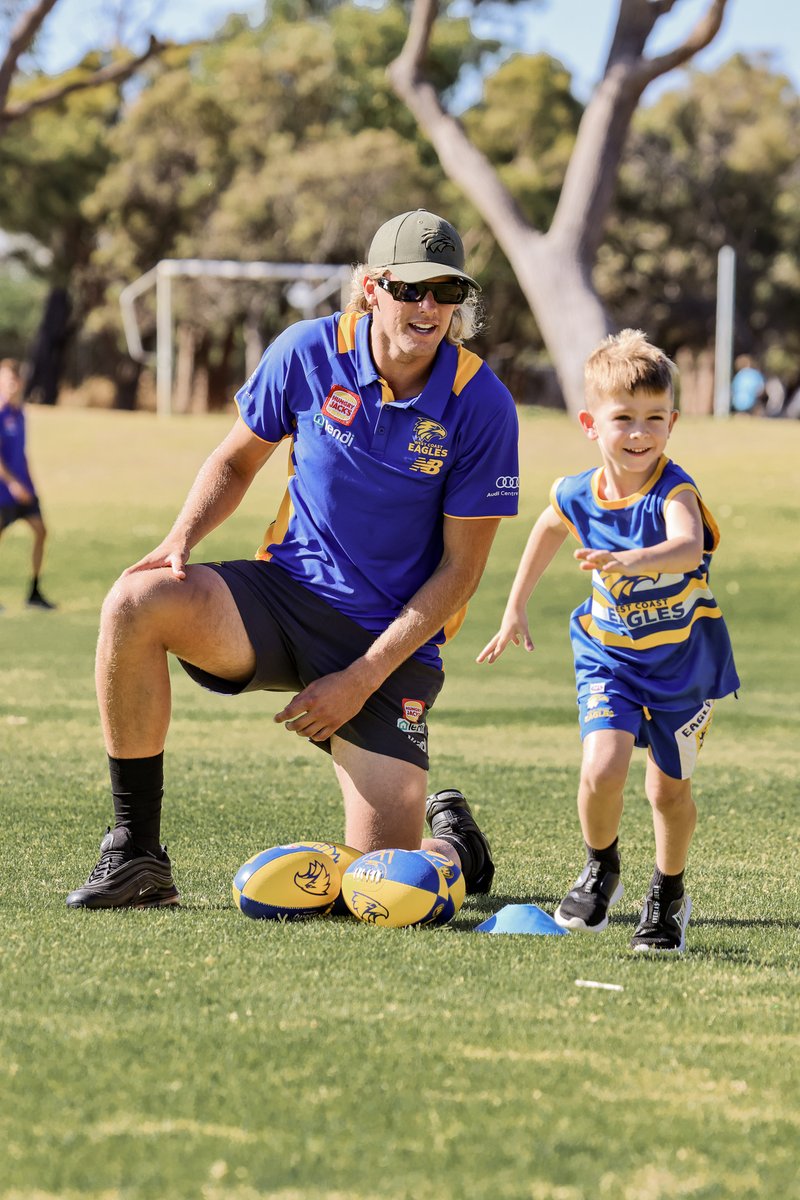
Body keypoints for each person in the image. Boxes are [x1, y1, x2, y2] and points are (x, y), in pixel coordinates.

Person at [67, 209, 520, 909]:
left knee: (384, 888)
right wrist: (178, 540)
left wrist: (360, 679)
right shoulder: (308, 352)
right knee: (134, 602)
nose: (428, 307)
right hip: (284, 598)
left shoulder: (480, 402)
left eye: (447, 292)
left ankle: (453, 841)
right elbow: (236, 460)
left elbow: (460, 573)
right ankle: (136, 854)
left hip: (389, 643)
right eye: (410, 289)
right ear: (372, 288)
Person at [478, 330, 739, 954]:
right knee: (601, 769)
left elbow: (688, 547)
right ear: (592, 423)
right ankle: (602, 867)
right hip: (609, 656)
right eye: (624, 418)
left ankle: (669, 892)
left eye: (655, 418)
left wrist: (633, 557)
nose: (640, 433)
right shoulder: (576, 492)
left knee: (665, 790)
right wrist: (514, 608)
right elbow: (546, 528)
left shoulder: (674, 489)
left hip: (684, 667)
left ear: (672, 422)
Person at [0, 358, 57, 610]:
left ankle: (34, 591)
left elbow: (21, 452)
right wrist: (13, 484)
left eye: (14, 380)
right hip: (4, 492)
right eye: (6, 381)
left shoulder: (20, 413)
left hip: (25, 490)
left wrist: (30, 484)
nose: (11, 385)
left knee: (41, 531)